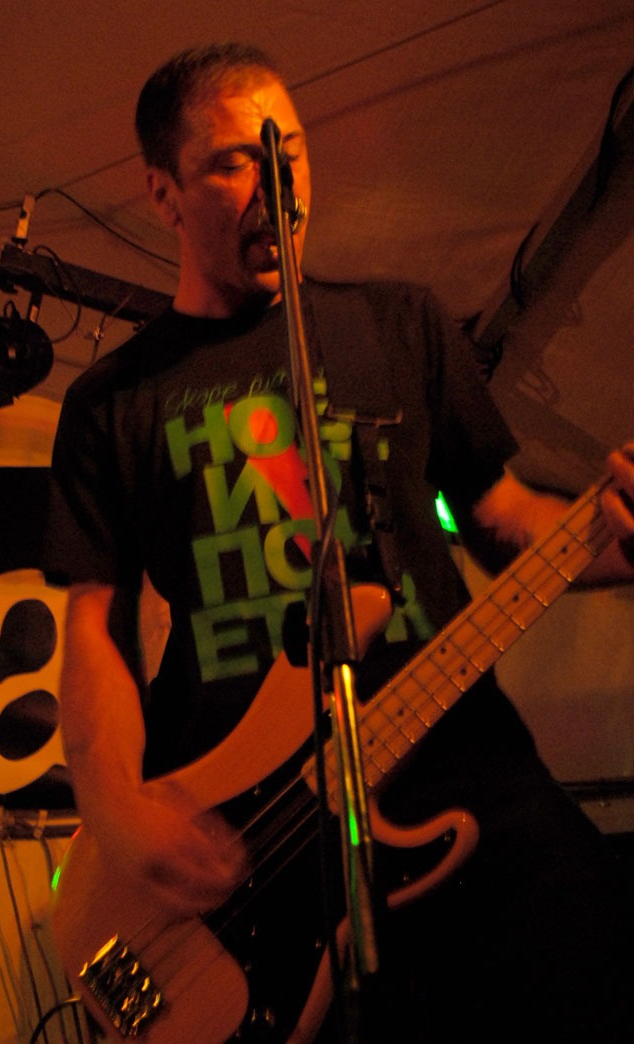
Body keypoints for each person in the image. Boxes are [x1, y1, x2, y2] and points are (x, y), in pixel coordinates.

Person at [44, 43, 634, 1043]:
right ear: (163, 193)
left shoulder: (399, 325)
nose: (275, 182)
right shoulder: (113, 401)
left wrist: (615, 534)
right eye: (234, 160)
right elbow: (94, 629)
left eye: (290, 153)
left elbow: (504, 516)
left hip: (462, 766)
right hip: (249, 833)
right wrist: (114, 806)